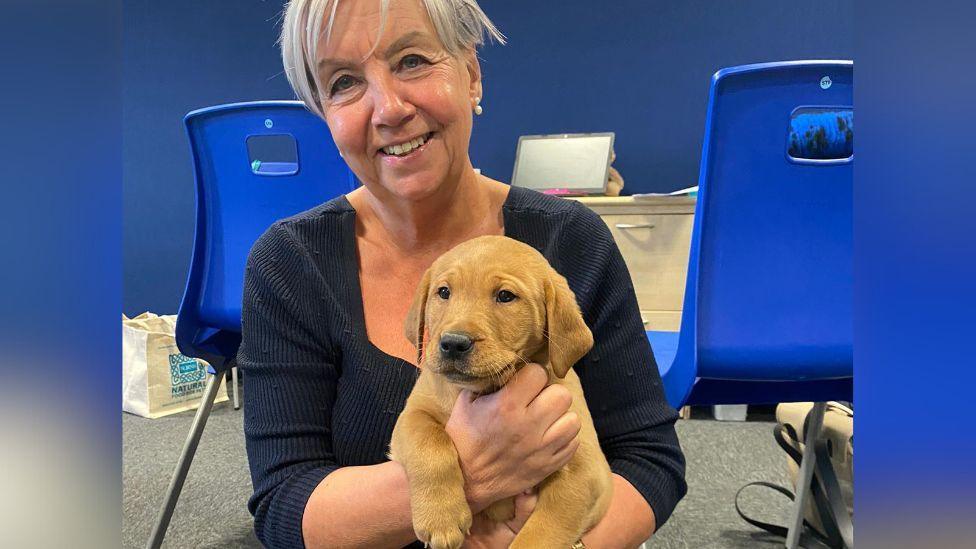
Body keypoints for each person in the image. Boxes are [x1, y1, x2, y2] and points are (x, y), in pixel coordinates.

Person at [239, 0, 687, 547]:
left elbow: (649, 460)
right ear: (325, 113)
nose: (388, 108)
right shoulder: (290, 264)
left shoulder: (571, 242)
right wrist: (473, 473)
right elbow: (284, 505)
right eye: (344, 82)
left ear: (472, 74)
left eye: (411, 60)